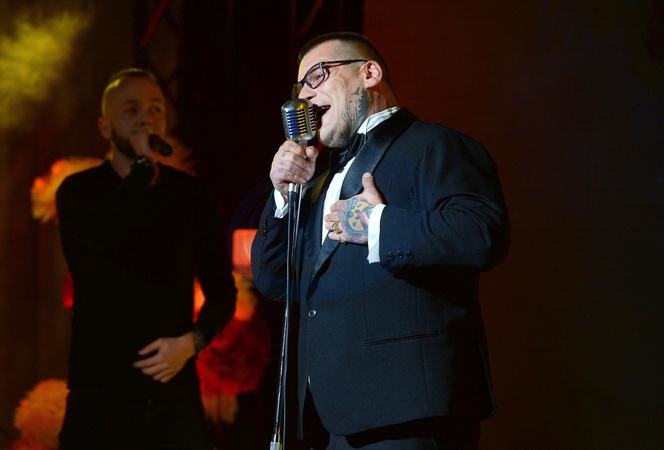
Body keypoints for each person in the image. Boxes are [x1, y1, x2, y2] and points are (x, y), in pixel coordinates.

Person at [251, 32, 511, 449]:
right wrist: (283, 196)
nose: (305, 97)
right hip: (328, 419)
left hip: (408, 410)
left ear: (369, 73)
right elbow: (272, 280)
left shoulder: (434, 145)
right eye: (299, 88)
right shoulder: (320, 181)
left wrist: (377, 225)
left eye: (317, 76)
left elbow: (483, 232)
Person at [56, 68, 236, 449]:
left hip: (174, 401)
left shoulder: (191, 196)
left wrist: (191, 343)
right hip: (100, 399)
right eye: (132, 110)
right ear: (105, 128)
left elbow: (222, 292)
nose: (146, 119)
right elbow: (103, 236)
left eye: (156, 109)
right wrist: (142, 168)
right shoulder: (79, 192)